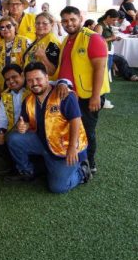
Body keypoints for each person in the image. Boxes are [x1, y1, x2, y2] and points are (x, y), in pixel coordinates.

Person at [5, 63, 93, 193]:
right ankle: (28, 171)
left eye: (38, 79)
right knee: (14, 138)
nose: (34, 83)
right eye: (30, 80)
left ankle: (82, 171)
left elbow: (76, 121)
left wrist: (72, 148)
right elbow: (27, 122)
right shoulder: (28, 100)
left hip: (65, 148)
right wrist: (23, 126)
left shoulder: (63, 94)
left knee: (58, 188)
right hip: (43, 141)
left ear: (47, 78)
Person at [56, 6, 110, 174]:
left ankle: (90, 164)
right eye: (65, 21)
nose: (69, 23)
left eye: (72, 19)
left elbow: (100, 68)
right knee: (75, 128)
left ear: (80, 18)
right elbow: (65, 66)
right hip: (72, 95)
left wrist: (95, 96)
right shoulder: (67, 39)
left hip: (88, 96)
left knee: (87, 130)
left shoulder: (92, 38)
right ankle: (77, 160)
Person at [0, 63, 28, 174]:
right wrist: (0, 130)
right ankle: (13, 166)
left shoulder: (31, 89)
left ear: (22, 75)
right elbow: (1, 115)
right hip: (12, 128)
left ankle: (24, 169)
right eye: (7, 79)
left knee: (13, 137)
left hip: (29, 128)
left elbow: (49, 83)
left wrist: (64, 82)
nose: (11, 81)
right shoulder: (5, 94)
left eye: (14, 77)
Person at [0, 16, 29, 97]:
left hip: (23, 84)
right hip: (4, 84)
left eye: (8, 26)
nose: (5, 29)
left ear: (14, 26)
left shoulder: (25, 41)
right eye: (2, 28)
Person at [22, 12, 61, 78]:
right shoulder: (37, 40)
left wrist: (43, 57)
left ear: (51, 24)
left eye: (44, 23)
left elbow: (53, 72)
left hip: (43, 85)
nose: (40, 25)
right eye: (38, 23)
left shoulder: (52, 43)